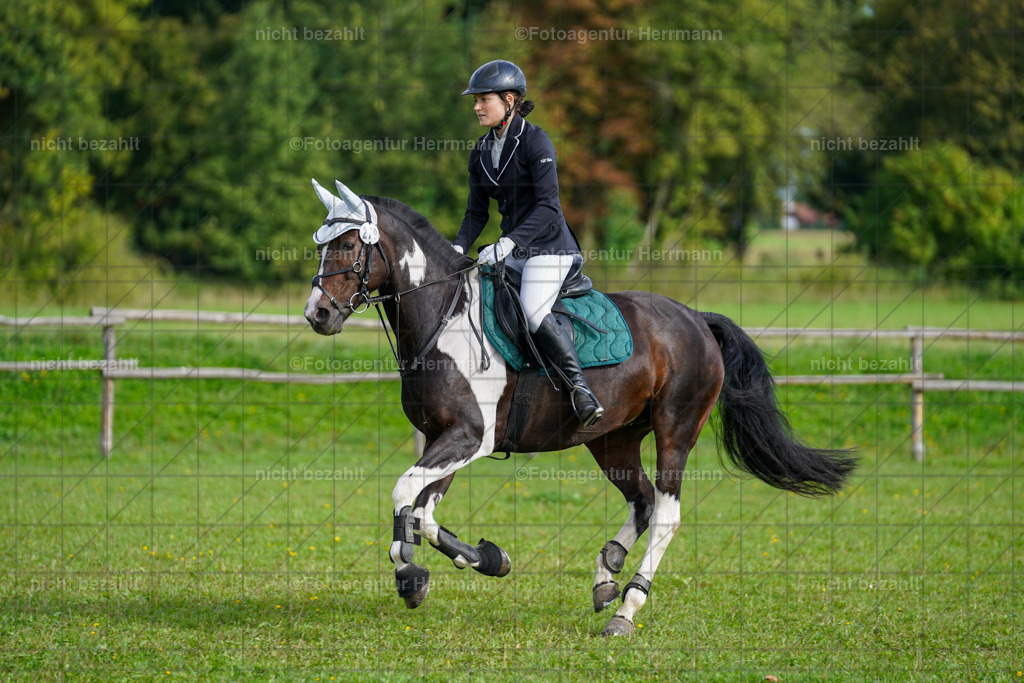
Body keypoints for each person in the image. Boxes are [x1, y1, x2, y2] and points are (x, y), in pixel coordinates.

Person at [452, 59, 603, 427]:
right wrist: (456, 248)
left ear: (509, 99)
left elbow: (549, 206)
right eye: (475, 100)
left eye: (483, 99)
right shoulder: (481, 151)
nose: (476, 106)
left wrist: (507, 244)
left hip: (550, 248)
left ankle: (580, 389)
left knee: (533, 310)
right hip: (514, 251)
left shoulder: (536, 140)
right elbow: (476, 213)